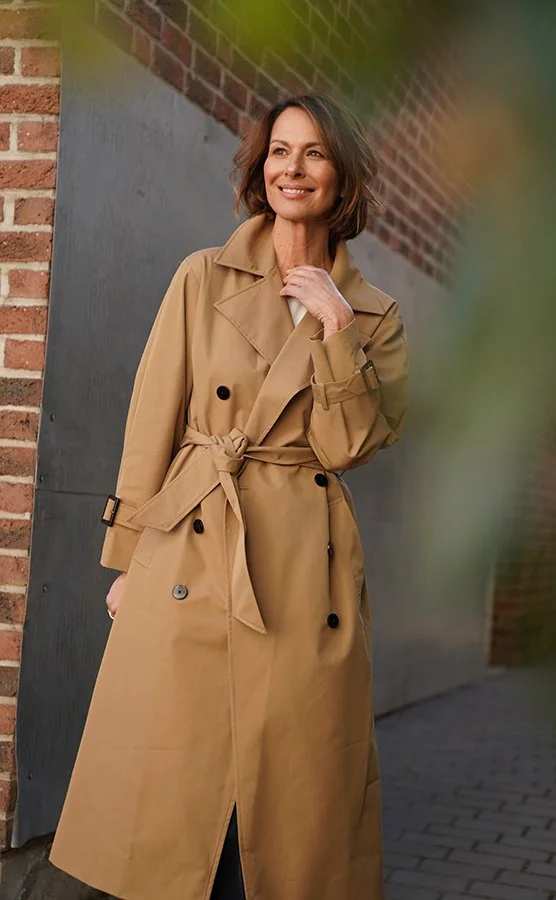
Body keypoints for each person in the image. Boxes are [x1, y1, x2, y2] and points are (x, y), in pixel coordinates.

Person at [50, 93, 409, 900]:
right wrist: (131, 560)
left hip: (303, 574)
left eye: (313, 153)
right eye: (280, 151)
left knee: (290, 800)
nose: (293, 168)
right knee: (175, 789)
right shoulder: (200, 276)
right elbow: (154, 422)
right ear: (260, 169)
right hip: (193, 544)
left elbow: (348, 446)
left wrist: (336, 328)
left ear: (341, 174)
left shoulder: (376, 316)